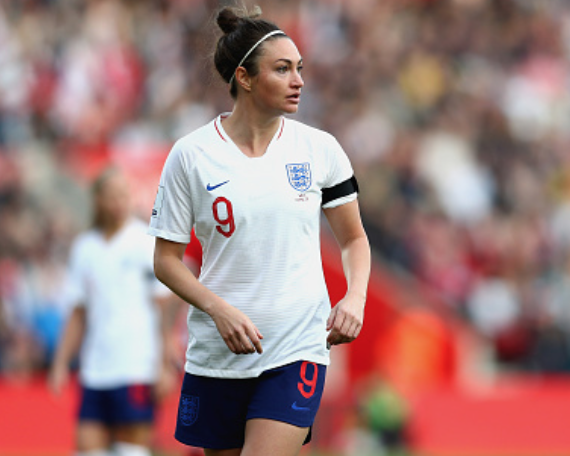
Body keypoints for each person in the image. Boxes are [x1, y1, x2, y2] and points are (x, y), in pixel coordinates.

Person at [149, 5, 371, 456]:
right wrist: (219, 310)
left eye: (300, 69)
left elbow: (354, 239)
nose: (299, 81)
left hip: (297, 348)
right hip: (218, 354)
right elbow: (165, 261)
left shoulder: (319, 149)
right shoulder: (191, 155)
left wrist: (355, 296)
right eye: (283, 69)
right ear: (245, 78)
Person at [49, 167, 176, 456]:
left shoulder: (145, 242)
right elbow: (78, 312)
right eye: (112, 195)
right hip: (95, 367)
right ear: (97, 200)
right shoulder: (85, 248)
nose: (120, 202)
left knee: (132, 449)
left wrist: (164, 362)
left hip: (135, 365)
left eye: (124, 194)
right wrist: (60, 362)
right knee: (87, 447)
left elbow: (162, 306)